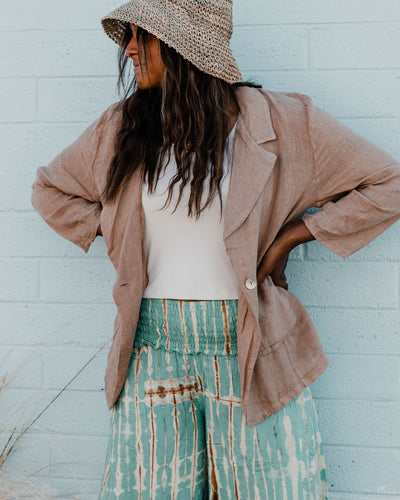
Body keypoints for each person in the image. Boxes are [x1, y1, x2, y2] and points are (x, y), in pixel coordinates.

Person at [30, 0, 400, 498]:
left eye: (144, 35)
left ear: (183, 46)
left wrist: (294, 235)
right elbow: (50, 190)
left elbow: (387, 184)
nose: (130, 48)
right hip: (151, 346)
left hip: (248, 344)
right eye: (130, 35)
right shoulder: (123, 128)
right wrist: (117, 230)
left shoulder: (283, 122)